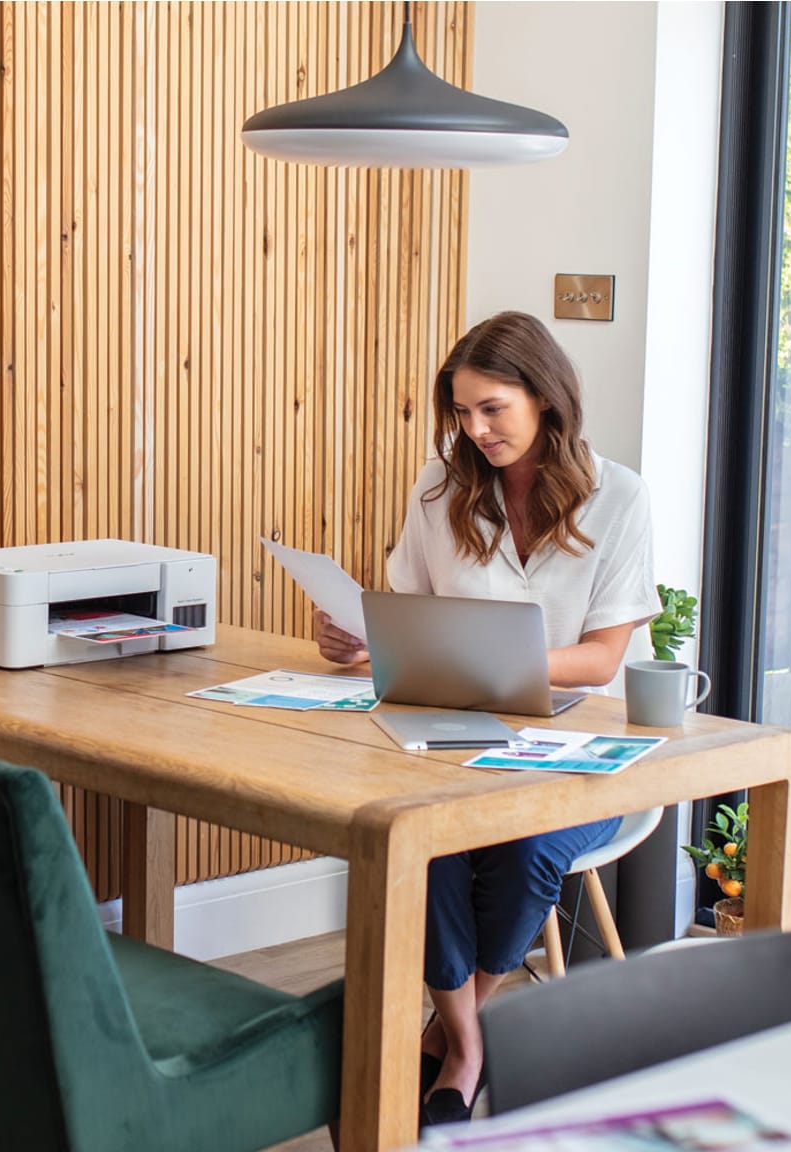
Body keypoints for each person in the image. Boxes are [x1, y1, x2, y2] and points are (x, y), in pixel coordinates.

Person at [315, 310, 660, 1128]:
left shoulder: (619, 498)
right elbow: (409, 615)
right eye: (462, 412)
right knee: (417, 834)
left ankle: (449, 1041)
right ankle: (470, 1040)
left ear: (544, 397)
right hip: (454, 731)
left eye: (492, 409)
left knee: (527, 843)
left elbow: (602, 657)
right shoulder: (441, 487)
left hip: (582, 740)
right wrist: (359, 639)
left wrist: (491, 658)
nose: (475, 430)